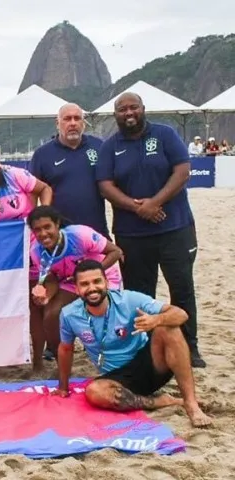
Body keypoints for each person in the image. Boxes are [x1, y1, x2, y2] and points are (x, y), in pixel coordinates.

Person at [96, 92, 204, 367]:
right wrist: (137, 208)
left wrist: (154, 203)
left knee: (181, 288)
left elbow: (182, 171)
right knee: (138, 294)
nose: (128, 113)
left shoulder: (165, 134)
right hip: (132, 234)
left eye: (133, 107)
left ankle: (190, 347)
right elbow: (105, 186)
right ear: (116, 114)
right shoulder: (110, 146)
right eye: (122, 109)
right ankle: (144, 348)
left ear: (143, 109)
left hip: (175, 228)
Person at [54, 260, 212, 428]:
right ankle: (161, 401)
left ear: (106, 282)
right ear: (77, 289)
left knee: (168, 328)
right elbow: (66, 348)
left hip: (149, 364)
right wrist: (63, 387)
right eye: (85, 284)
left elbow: (181, 314)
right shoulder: (69, 314)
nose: (92, 288)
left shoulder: (129, 299)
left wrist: (156, 320)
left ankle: (191, 403)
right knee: (95, 392)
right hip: (117, 377)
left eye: (97, 281)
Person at [27, 206, 123, 371]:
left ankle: (116, 361)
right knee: (50, 315)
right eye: (37, 230)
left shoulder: (80, 235)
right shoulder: (37, 251)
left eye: (47, 227)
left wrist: (92, 273)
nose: (43, 233)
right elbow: (52, 280)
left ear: (57, 224)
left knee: (104, 317)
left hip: (102, 276)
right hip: (71, 282)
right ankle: (63, 365)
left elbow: (115, 252)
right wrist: (47, 296)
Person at [29, 103, 108, 237]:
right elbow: (32, 192)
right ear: (57, 123)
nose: (73, 123)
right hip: (59, 234)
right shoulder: (42, 155)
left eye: (77, 118)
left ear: (83, 123)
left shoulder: (99, 147)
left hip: (96, 232)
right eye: (67, 119)